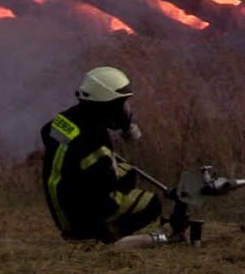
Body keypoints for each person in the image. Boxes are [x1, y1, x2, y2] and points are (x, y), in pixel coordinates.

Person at [40, 66, 173, 245]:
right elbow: (107, 194)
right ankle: (106, 237)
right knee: (151, 202)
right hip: (79, 221)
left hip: (63, 207)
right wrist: (126, 179)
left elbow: (46, 131)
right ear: (109, 106)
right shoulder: (96, 138)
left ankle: (92, 231)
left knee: (125, 171)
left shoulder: (65, 119)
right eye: (122, 104)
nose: (126, 110)